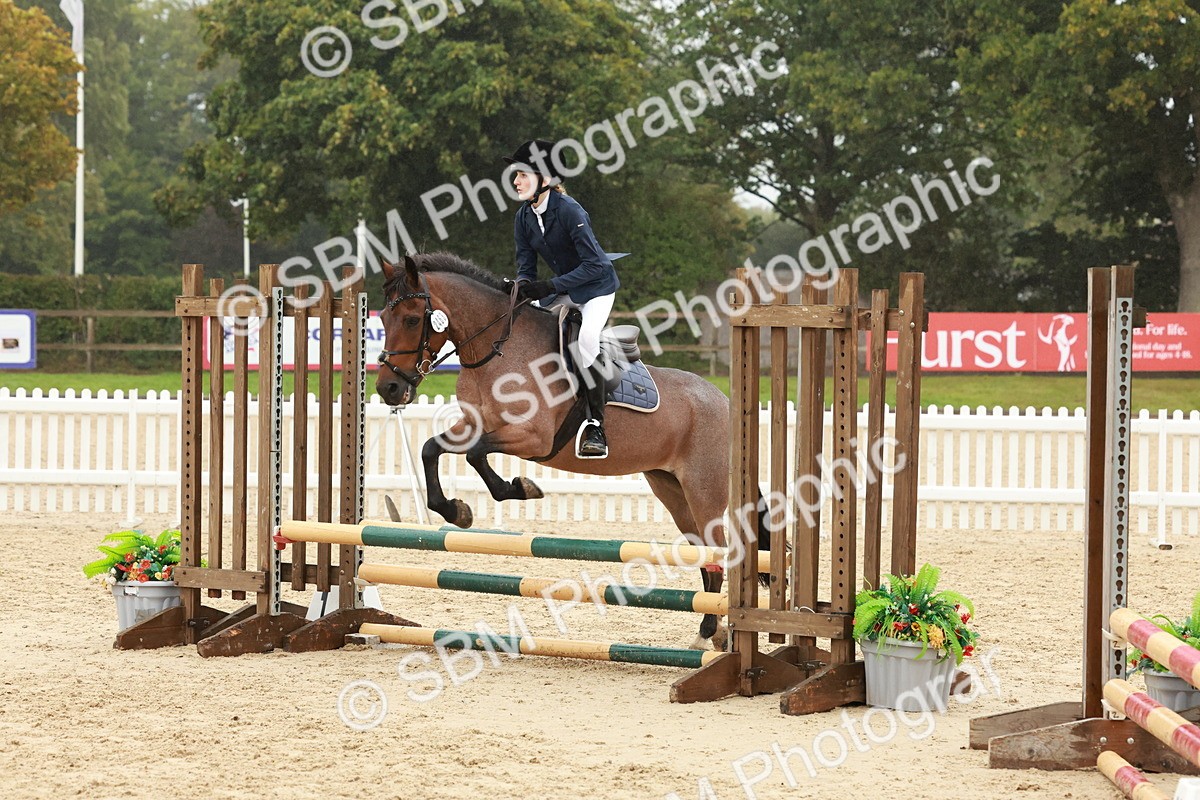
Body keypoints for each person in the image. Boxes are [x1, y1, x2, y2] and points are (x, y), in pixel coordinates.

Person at [505, 139, 619, 459]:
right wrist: (522, 287)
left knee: (586, 341)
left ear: (546, 179)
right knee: (529, 328)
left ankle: (596, 425)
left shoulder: (570, 211)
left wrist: (550, 286)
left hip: (596, 289)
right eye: (516, 174)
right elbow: (525, 267)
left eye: (523, 174)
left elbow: (595, 265)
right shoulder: (523, 217)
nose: (516, 181)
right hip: (562, 290)